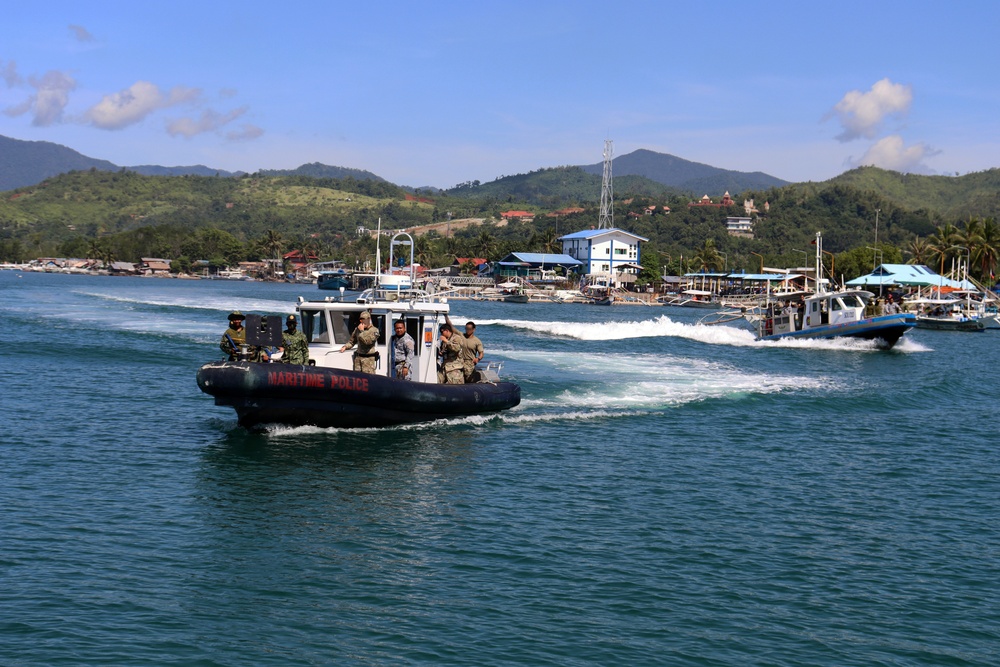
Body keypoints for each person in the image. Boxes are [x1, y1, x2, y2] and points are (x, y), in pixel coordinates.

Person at [447, 315, 484, 382]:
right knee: (457, 378)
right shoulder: (461, 335)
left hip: (469, 362)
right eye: (466, 328)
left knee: (468, 379)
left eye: (469, 329)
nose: (467, 330)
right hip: (459, 360)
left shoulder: (477, 341)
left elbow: (481, 353)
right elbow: (452, 328)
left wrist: (478, 358)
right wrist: (446, 317)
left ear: (473, 329)